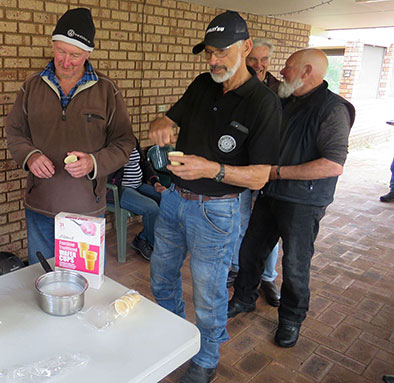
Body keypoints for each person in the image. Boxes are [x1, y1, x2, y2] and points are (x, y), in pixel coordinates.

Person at [148, 11, 281, 383]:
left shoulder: (263, 103)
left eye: (222, 52)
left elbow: (259, 176)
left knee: (207, 293)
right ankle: (175, 338)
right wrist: (162, 121)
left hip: (217, 211)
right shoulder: (202, 84)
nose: (213, 60)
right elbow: (169, 119)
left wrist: (212, 169)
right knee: (161, 277)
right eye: (209, 52)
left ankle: (206, 359)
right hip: (174, 198)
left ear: (246, 47)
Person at [228, 48, 355, 349]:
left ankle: (291, 319)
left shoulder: (333, 109)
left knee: (296, 264)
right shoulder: (285, 99)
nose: (282, 71)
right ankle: (244, 299)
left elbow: (333, 164)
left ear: (307, 71)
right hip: (271, 193)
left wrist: (277, 173)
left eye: (287, 66)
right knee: (251, 251)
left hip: (303, 202)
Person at [6, 8, 135, 264]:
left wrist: (94, 162)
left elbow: (124, 142)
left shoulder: (107, 91)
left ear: (88, 54)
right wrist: (30, 156)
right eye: (61, 51)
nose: (66, 61)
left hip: (85, 209)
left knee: (81, 280)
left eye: (75, 55)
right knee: (41, 275)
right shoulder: (31, 86)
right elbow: (14, 130)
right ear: (52, 45)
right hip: (40, 204)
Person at [227, 37, 283, 307]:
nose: (259, 65)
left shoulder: (281, 91)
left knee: (268, 229)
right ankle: (238, 267)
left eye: (264, 60)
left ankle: (268, 277)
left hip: (269, 171)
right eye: (253, 60)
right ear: (244, 59)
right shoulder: (235, 87)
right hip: (240, 170)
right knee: (240, 223)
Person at [107, 138, 166, 260]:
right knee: (151, 208)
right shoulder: (109, 142)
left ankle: (142, 238)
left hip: (138, 184)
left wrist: (155, 182)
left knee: (169, 199)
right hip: (120, 189)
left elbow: (144, 164)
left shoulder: (132, 140)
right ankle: (155, 246)